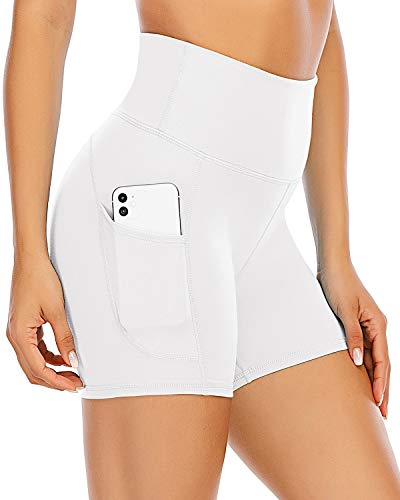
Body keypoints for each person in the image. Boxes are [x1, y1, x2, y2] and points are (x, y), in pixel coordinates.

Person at [4, 1, 400, 498]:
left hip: (261, 236)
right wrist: (28, 253)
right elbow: (44, 16)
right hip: (154, 217)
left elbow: (322, 27)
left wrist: (336, 256)